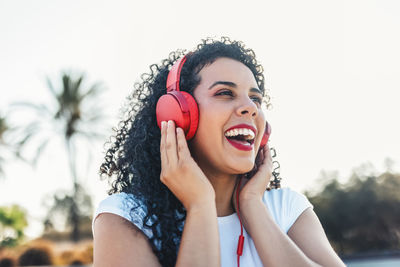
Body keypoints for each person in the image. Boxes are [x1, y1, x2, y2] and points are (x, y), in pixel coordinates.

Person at [92, 37, 345, 267]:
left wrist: (252, 206)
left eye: (255, 99)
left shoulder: (287, 208)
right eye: (225, 93)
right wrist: (200, 205)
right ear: (179, 114)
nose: (250, 108)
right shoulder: (126, 217)